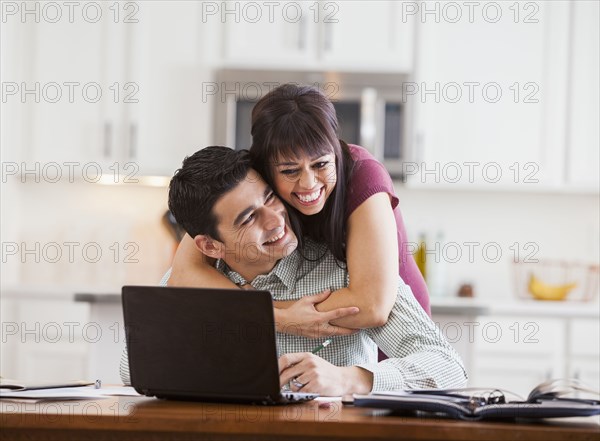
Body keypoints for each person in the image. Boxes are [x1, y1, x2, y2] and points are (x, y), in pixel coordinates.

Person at [120, 147, 466, 394]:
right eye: (248, 218)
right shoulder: (193, 281)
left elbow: (448, 368)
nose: (276, 221)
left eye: (270, 198)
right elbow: (130, 368)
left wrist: (350, 379)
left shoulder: (345, 271)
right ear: (210, 246)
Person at [169, 84, 430, 340]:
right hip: (319, 325)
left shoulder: (363, 175)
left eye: (321, 164)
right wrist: (278, 319)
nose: (308, 184)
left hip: (392, 320)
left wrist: (268, 314)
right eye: (290, 171)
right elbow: (184, 274)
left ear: (336, 153)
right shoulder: (251, 179)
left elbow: (371, 305)